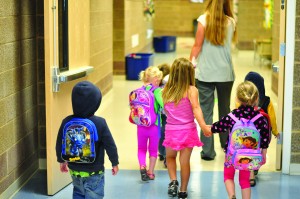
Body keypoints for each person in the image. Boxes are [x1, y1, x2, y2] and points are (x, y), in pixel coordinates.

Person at [190, 0, 237, 161]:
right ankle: (226, 146)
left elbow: (197, 46)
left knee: (205, 111)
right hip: (225, 74)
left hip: (205, 75)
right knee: (225, 111)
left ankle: (208, 152)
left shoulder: (203, 20)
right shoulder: (231, 22)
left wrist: (190, 66)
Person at [55, 81, 119, 199]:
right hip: (94, 171)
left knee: (78, 193)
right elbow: (110, 145)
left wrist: (61, 160)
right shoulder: (100, 122)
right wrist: (114, 162)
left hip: (74, 170)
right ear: (95, 103)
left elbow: (60, 143)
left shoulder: (66, 121)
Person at [209, 81, 269, 199]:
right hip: (249, 156)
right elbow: (265, 138)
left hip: (231, 154)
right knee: (245, 181)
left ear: (237, 98)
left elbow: (218, 126)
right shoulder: (260, 118)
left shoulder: (232, 116)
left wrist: (208, 129)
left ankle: (232, 195)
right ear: (256, 99)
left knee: (228, 176)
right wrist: (264, 153)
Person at [162, 57, 211, 199]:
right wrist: (203, 126)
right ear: (190, 74)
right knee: (184, 162)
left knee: (170, 157)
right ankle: (183, 190)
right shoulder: (191, 90)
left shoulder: (166, 90)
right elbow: (196, 108)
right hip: (187, 131)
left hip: (171, 130)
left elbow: (165, 110)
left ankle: (173, 181)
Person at [244, 71, 280, 186]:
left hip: (246, 133)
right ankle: (253, 170)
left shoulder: (242, 100)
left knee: (249, 150)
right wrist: (275, 131)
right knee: (257, 151)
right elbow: (272, 119)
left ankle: (250, 174)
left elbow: (236, 115)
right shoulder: (267, 101)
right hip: (261, 135)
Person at [137, 66, 164, 181]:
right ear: (156, 79)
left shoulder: (139, 90)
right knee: (153, 150)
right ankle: (151, 172)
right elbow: (163, 104)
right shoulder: (157, 91)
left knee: (141, 148)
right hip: (155, 125)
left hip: (141, 125)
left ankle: (142, 166)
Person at [157, 63, 171, 168]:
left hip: (160, 114)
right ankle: (165, 154)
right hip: (168, 114)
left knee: (160, 133)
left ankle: (162, 153)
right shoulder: (170, 84)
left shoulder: (157, 86)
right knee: (166, 134)